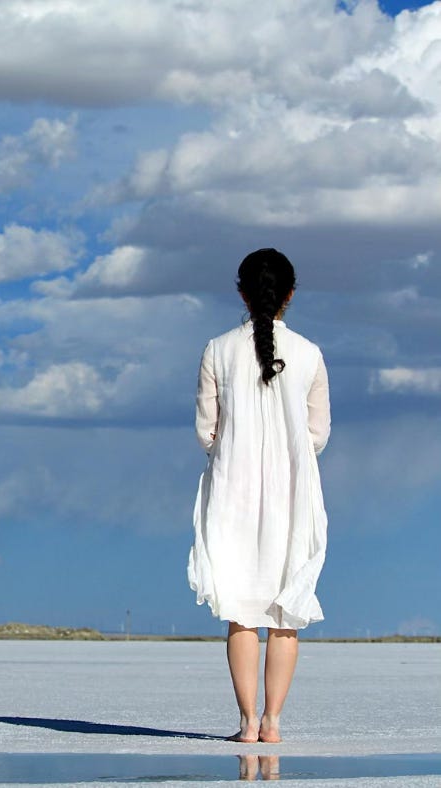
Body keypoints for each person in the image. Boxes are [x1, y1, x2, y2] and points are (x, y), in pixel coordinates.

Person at [187, 247, 331, 744]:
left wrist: (234, 450)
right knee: (284, 613)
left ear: (242, 293)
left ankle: (248, 723)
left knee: (241, 611)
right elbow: (317, 435)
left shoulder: (217, 349)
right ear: (289, 295)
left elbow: (207, 431)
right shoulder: (310, 354)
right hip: (293, 493)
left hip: (233, 490)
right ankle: (272, 723)